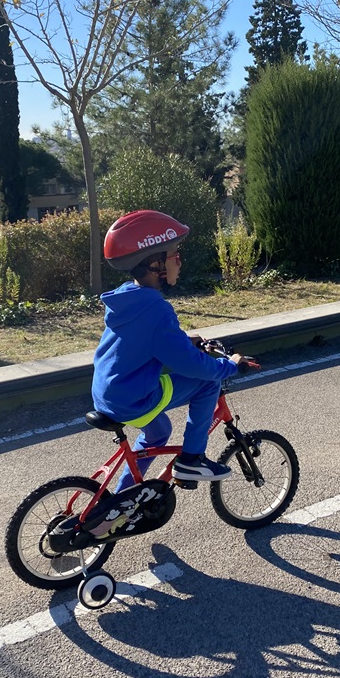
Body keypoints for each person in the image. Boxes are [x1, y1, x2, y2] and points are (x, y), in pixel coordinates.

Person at [92, 210, 243, 492]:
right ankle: (192, 460)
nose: (180, 262)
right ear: (155, 265)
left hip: (109, 392)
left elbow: (147, 338)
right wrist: (230, 366)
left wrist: (183, 339)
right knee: (208, 382)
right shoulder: (157, 309)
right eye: (175, 255)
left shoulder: (128, 297)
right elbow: (191, 365)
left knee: (159, 431)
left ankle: (124, 498)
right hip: (133, 398)